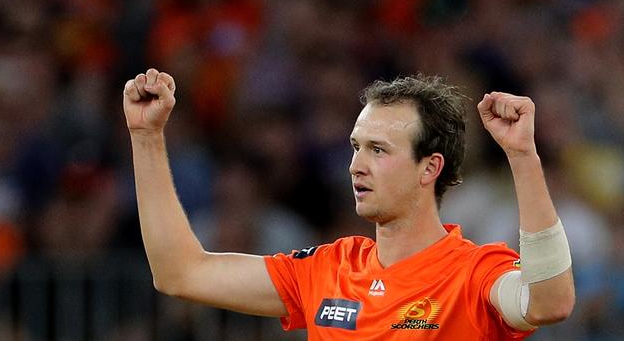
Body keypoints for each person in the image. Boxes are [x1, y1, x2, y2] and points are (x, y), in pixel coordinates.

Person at [123, 68, 575, 340]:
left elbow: (549, 304)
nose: (357, 164)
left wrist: (522, 156)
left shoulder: (475, 273)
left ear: (428, 168)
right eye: (356, 147)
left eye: (378, 150)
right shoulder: (326, 270)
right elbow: (180, 272)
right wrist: (146, 138)